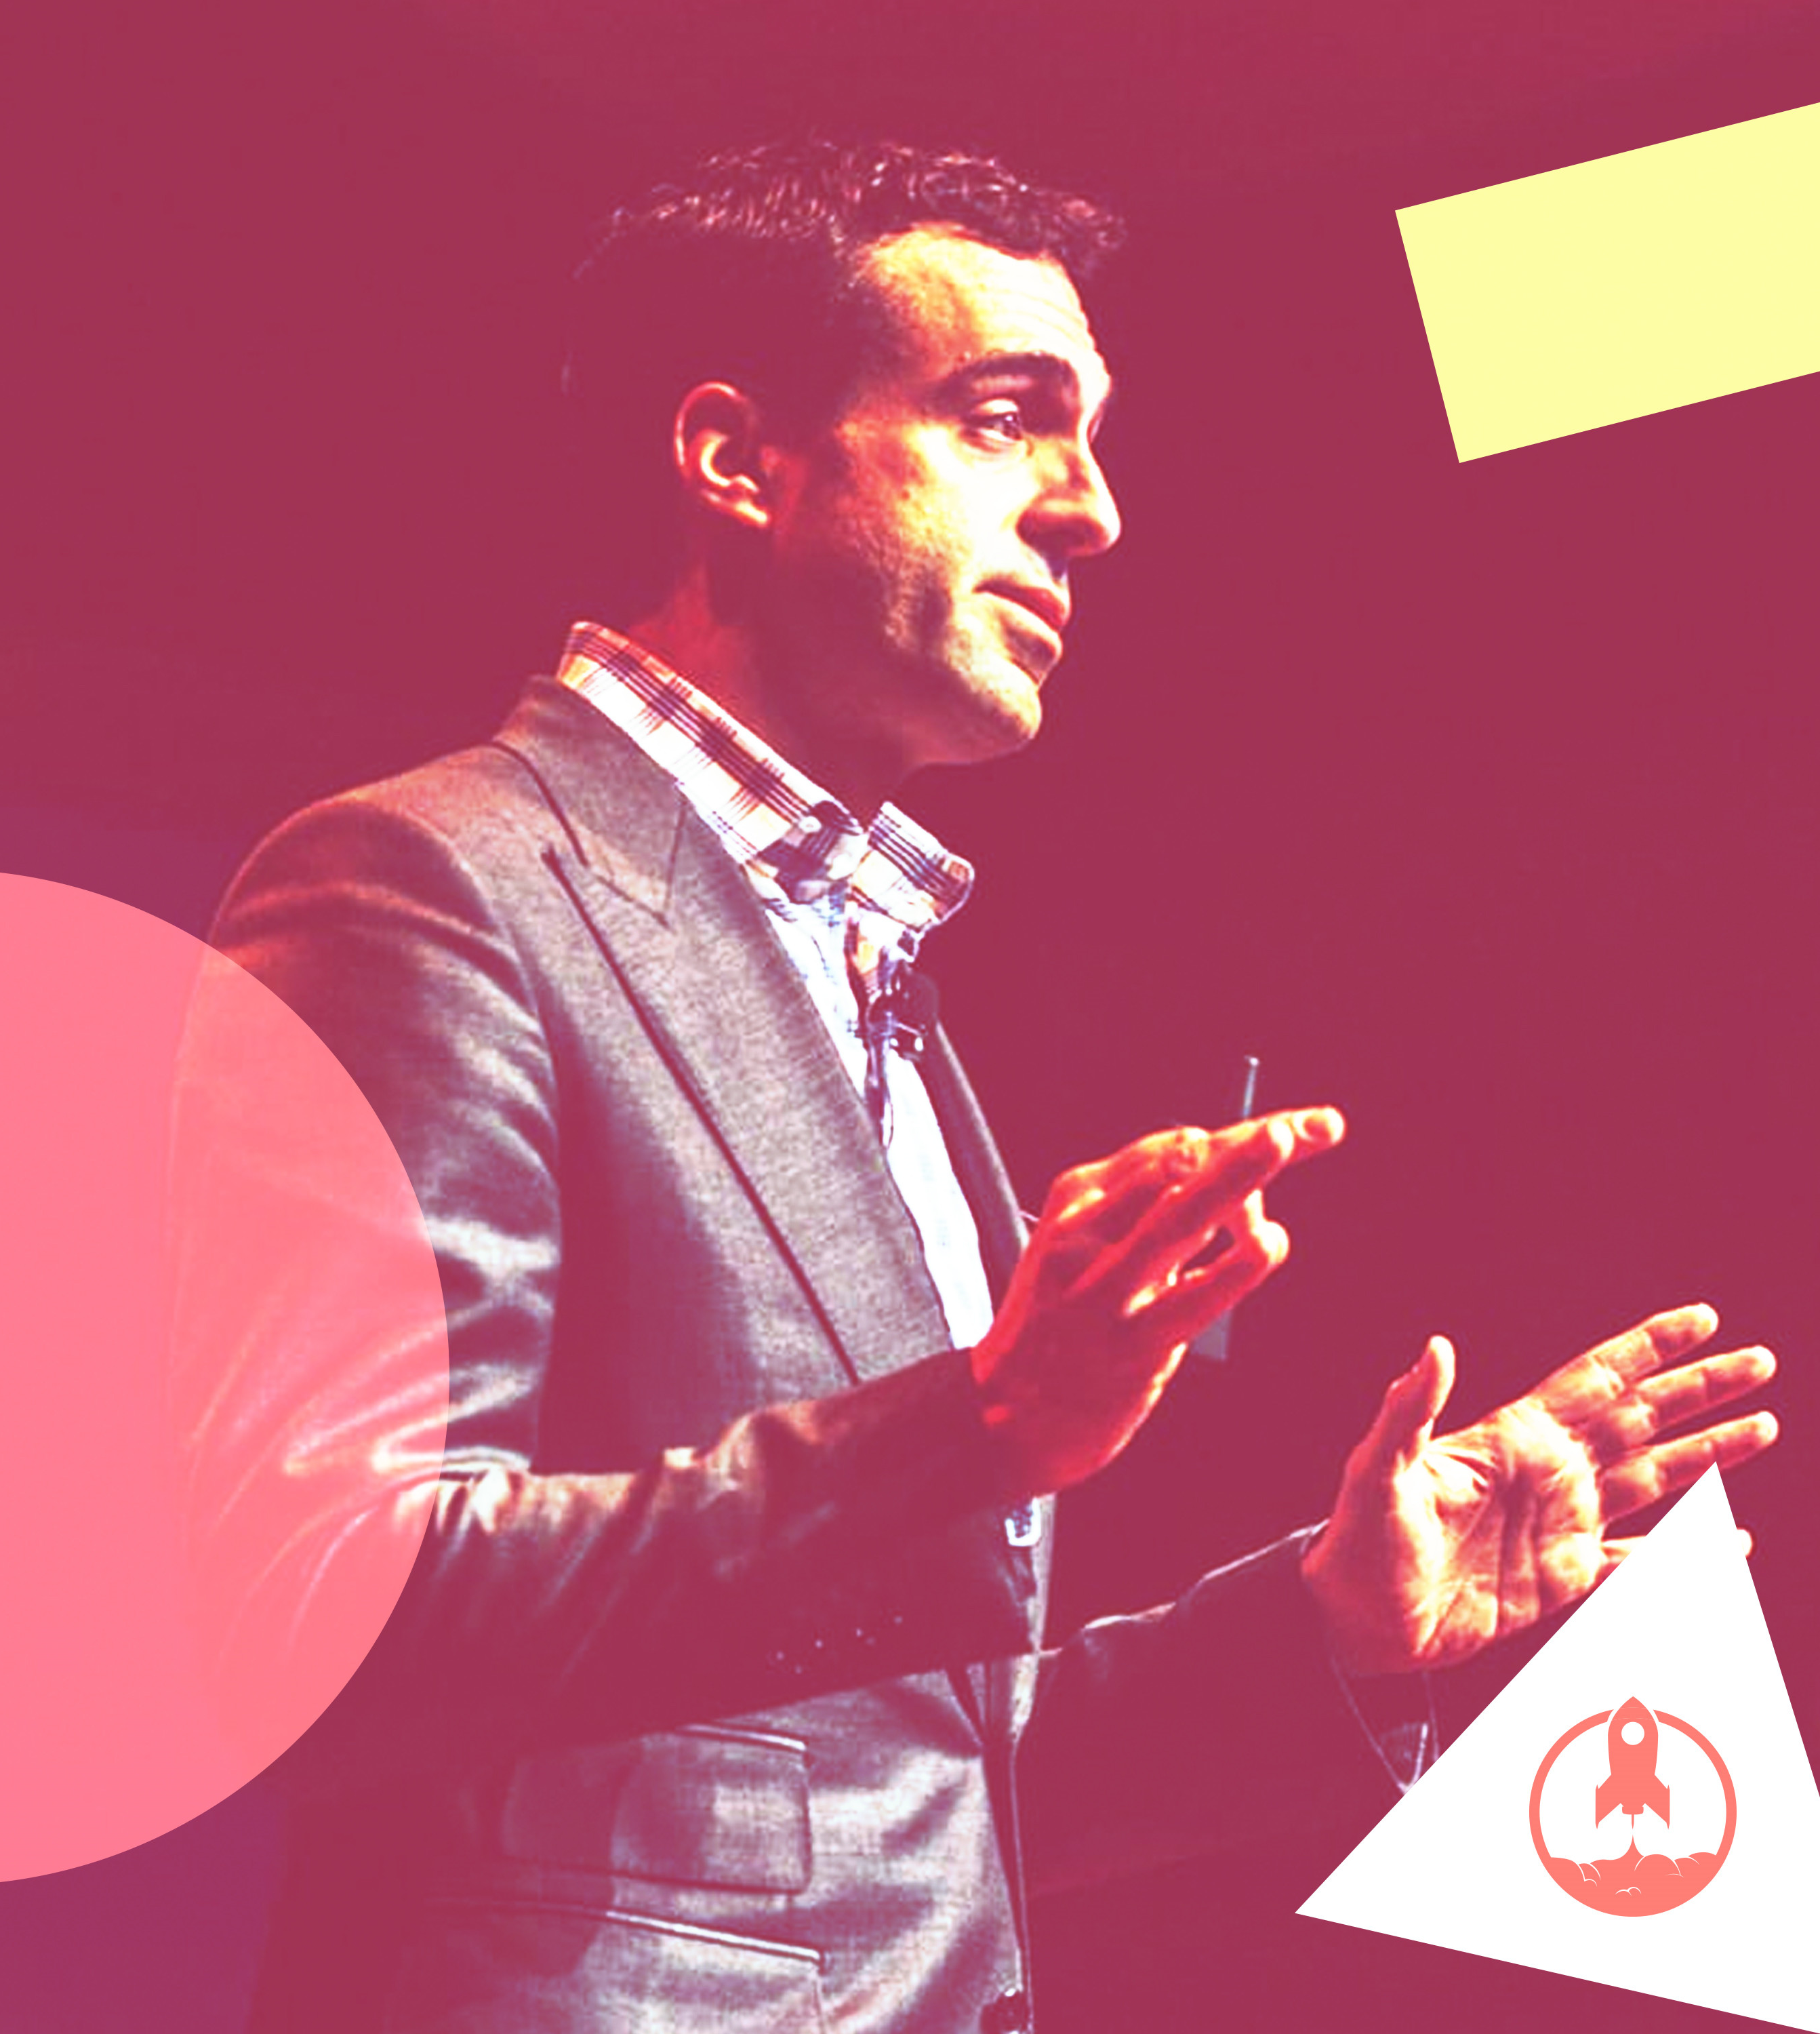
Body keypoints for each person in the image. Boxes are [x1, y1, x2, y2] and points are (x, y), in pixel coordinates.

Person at [209, 139, 1778, 2033]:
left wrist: (1327, 1625)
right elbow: (325, 1609)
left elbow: (906, 1795)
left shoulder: (867, 975)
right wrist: (976, 1427)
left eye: (1094, 441)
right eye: (1006, 418)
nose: (1092, 510)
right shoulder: (429, 883)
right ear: (737, 461)